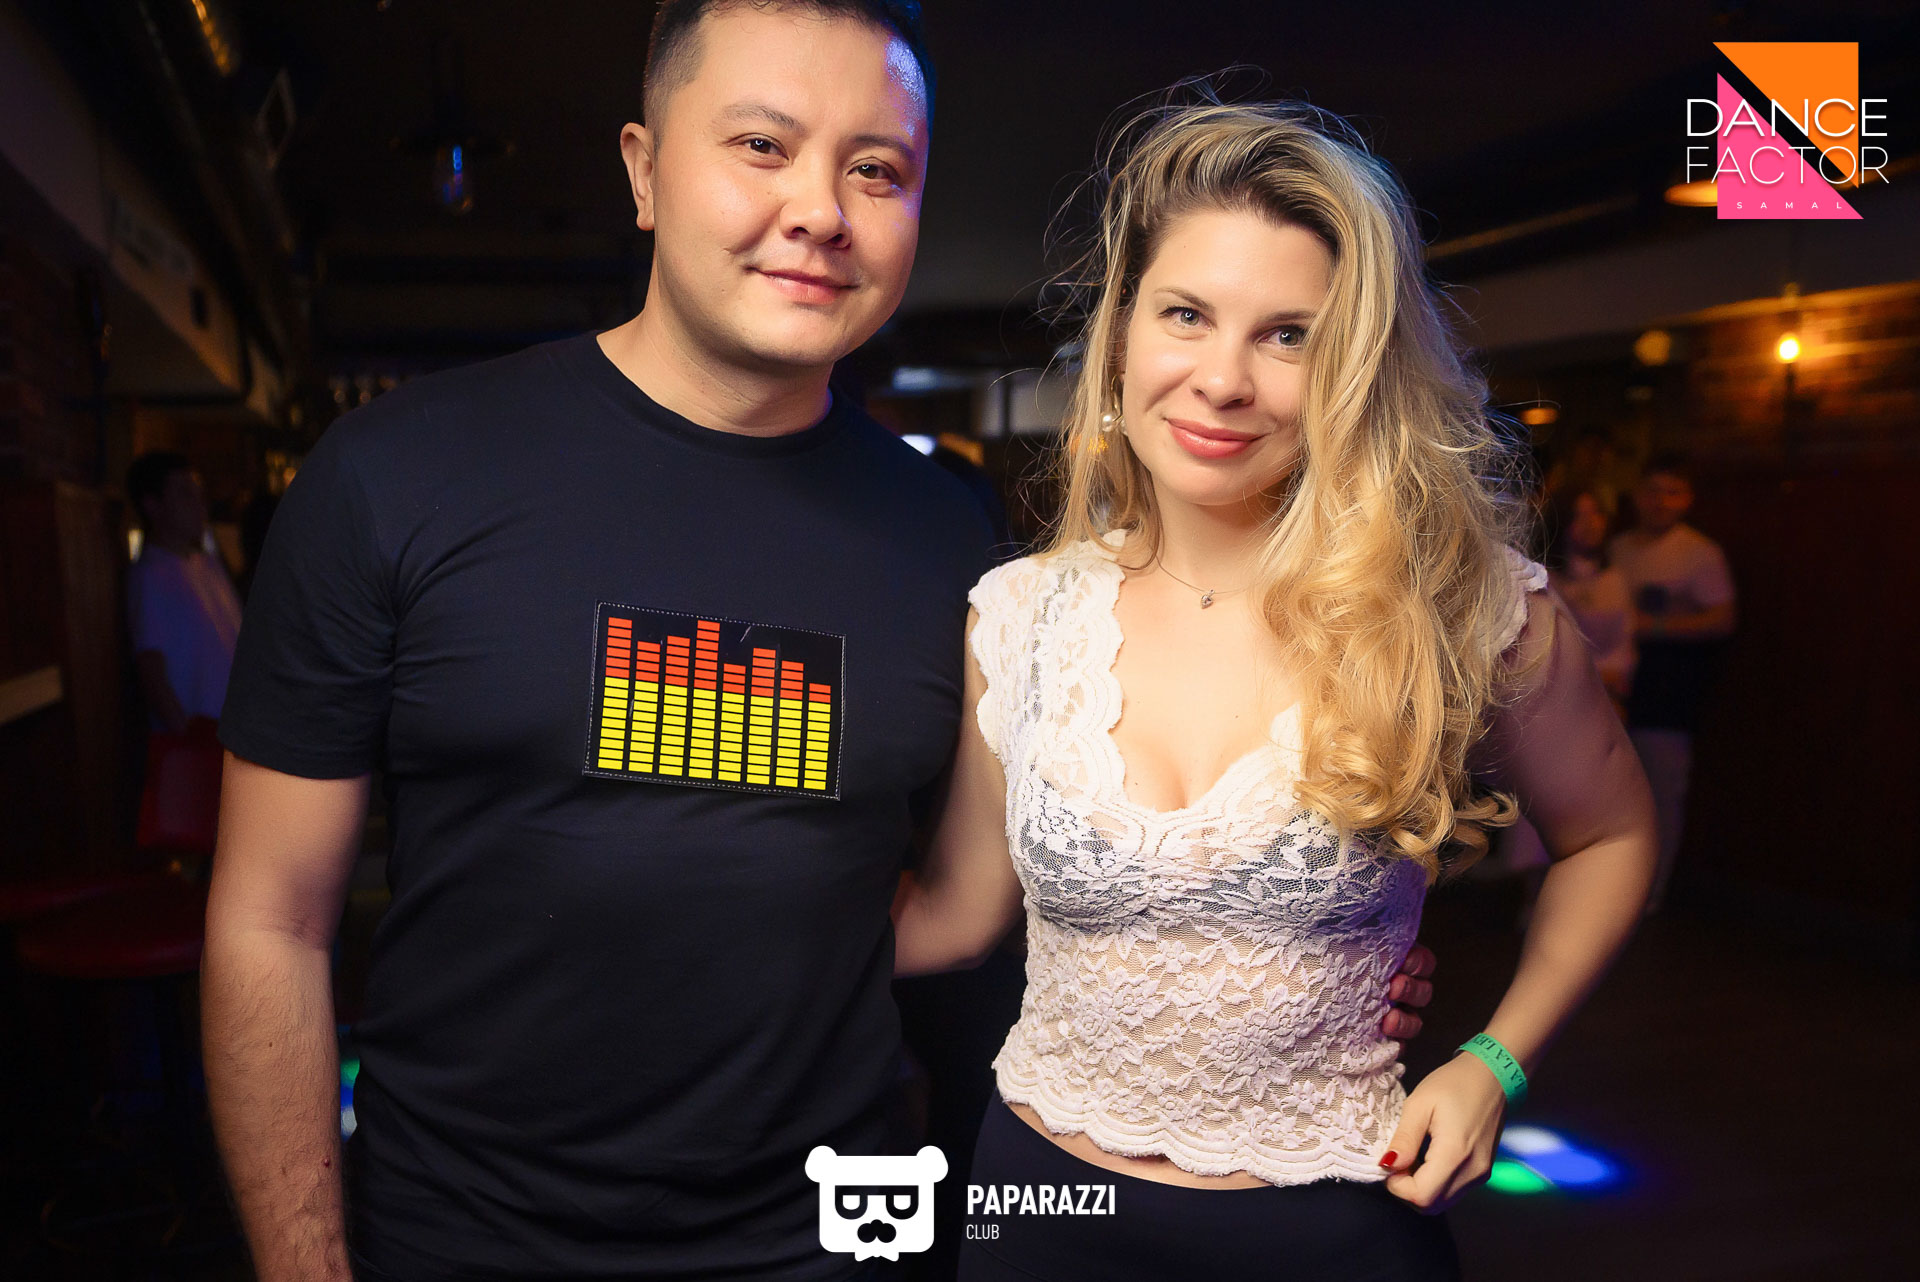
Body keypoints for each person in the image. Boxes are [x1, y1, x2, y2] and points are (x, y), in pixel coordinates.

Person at [201, 7, 1441, 1281]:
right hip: (457, 1237)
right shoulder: (397, 477)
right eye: (762, 145)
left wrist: (1316, 961)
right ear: (642, 170)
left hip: (834, 1235)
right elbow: (269, 923)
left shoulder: (963, 550)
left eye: (875, 169)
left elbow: (1002, 895)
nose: (819, 211)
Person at [890, 94, 1657, 1280]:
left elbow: (1612, 834)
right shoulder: (1019, 616)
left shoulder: (1457, 607)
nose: (1223, 379)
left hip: (1331, 1222)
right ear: (1123, 330)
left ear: (1352, 366)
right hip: (1039, 1205)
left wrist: (1495, 1061)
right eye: (1186, 314)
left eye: (1288, 335)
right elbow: (956, 914)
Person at [1609, 453, 1736, 913]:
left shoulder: (1700, 552)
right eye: (1652, 491)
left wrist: (1653, 626)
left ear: (1687, 499)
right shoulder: (1618, 547)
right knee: (1613, 791)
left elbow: (1723, 619)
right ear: (1637, 495)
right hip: (1615, 685)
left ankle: (1650, 893)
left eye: (1672, 492)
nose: (1660, 501)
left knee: (1661, 792)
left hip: (1669, 688)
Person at [126, 450, 243, 733]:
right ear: (153, 505)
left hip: (238, 734)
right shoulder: (150, 575)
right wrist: (187, 739)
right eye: (184, 494)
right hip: (203, 741)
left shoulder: (209, 565)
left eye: (198, 494)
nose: (199, 505)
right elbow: (152, 671)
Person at [1547, 489, 1635, 704]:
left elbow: (1624, 642)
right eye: (1579, 516)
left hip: (1607, 695)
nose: (1590, 524)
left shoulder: (1613, 578)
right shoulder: (1545, 580)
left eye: (1596, 513)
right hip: (1559, 697)